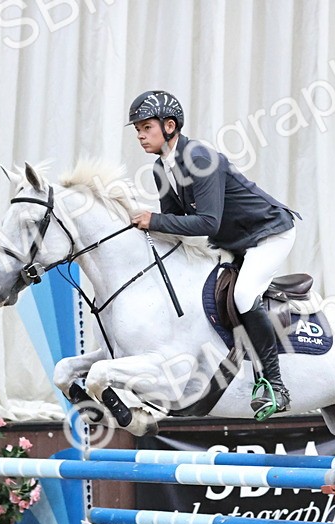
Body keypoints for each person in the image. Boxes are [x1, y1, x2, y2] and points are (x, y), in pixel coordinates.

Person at [126, 90, 298, 420]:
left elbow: (206, 222)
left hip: (268, 234)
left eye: (146, 127)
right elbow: (176, 224)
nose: (140, 135)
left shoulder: (200, 157)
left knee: (246, 294)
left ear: (170, 125)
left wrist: (152, 219)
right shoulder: (160, 170)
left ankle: (276, 385)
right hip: (234, 243)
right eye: (137, 129)